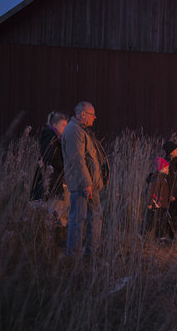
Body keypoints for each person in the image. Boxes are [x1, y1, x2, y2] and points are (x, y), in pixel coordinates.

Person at [62, 101, 107, 257]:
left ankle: (91, 252)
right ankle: (74, 256)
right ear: (82, 114)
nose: (95, 117)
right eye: (92, 114)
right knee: (78, 219)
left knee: (95, 217)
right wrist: (86, 183)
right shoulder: (74, 131)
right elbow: (77, 160)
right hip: (83, 185)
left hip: (89, 184)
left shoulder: (82, 130)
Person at [30, 111, 70, 238]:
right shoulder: (50, 136)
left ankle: (55, 237)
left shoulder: (56, 137)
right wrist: (65, 169)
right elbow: (51, 157)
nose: (65, 128)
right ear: (55, 124)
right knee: (54, 210)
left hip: (55, 179)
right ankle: (52, 239)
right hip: (51, 179)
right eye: (63, 125)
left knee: (57, 209)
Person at [162, 141, 177, 234]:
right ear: (171, 152)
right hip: (173, 195)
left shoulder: (175, 162)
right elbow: (168, 180)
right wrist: (171, 194)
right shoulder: (167, 164)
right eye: (176, 150)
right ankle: (174, 236)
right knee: (173, 215)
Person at [146, 157, 173, 239]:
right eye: (167, 168)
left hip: (162, 204)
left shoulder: (163, 178)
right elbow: (151, 191)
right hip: (158, 205)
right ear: (162, 168)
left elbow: (163, 192)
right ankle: (165, 237)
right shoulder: (157, 179)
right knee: (158, 220)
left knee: (160, 220)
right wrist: (150, 203)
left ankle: (162, 236)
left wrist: (169, 197)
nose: (168, 169)